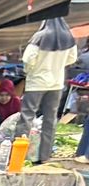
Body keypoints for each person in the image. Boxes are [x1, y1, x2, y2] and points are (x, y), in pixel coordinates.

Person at [20, 18, 78, 162]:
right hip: (56, 83)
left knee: (27, 117)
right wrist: (57, 66)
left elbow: (28, 59)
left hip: (36, 83)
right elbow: (72, 58)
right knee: (50, 119)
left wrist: (30, 71)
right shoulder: (68, 37)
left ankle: (19, 155)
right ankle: (44, 157)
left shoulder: (39, 36)